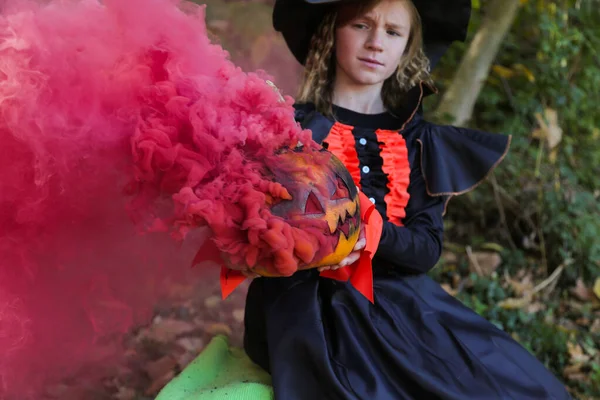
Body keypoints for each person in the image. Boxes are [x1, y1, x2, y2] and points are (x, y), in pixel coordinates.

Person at [241, 0, 572, 398]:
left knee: (509, 387)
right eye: (361, 25)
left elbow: (427, 248)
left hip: (399, 303)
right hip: (305, 310)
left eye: (393, 32)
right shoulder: (291, 126)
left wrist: (370, 233)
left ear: (407, 47)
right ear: (331, 32)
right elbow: (254, 226)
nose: (376, 43)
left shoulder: (418, 143)